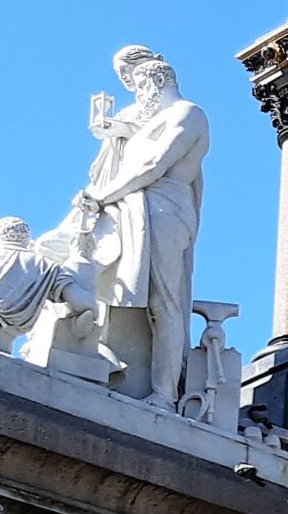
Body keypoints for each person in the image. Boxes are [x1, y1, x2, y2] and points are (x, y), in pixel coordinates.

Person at [58, 46, 210, 407]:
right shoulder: (147, 123)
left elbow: (154, 165)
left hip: (165, 211)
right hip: (134, 208)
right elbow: (137, 146)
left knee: (165, 303)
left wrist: (102, 195)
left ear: (157, 79)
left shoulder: (189, 114)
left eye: (139, 85)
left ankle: (163, 392)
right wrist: (117, 132)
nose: (136, 94)